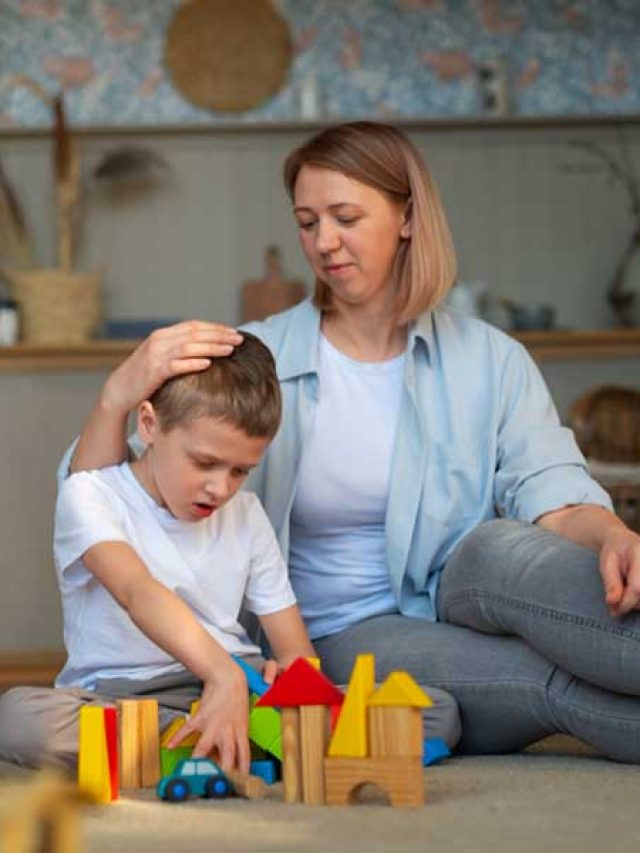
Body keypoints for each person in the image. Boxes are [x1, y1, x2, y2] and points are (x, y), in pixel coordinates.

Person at [34, 121, 640, 762]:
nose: (324, 242)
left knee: (507, 549)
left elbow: (552, 493)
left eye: (346, 217)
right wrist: (117, 394)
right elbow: (113, 489)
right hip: (336, 631)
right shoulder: (254, 358)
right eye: (307, 221)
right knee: (539, 676)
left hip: (455, 588)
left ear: (407, 216)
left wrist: (612, 535)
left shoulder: (492, 359)